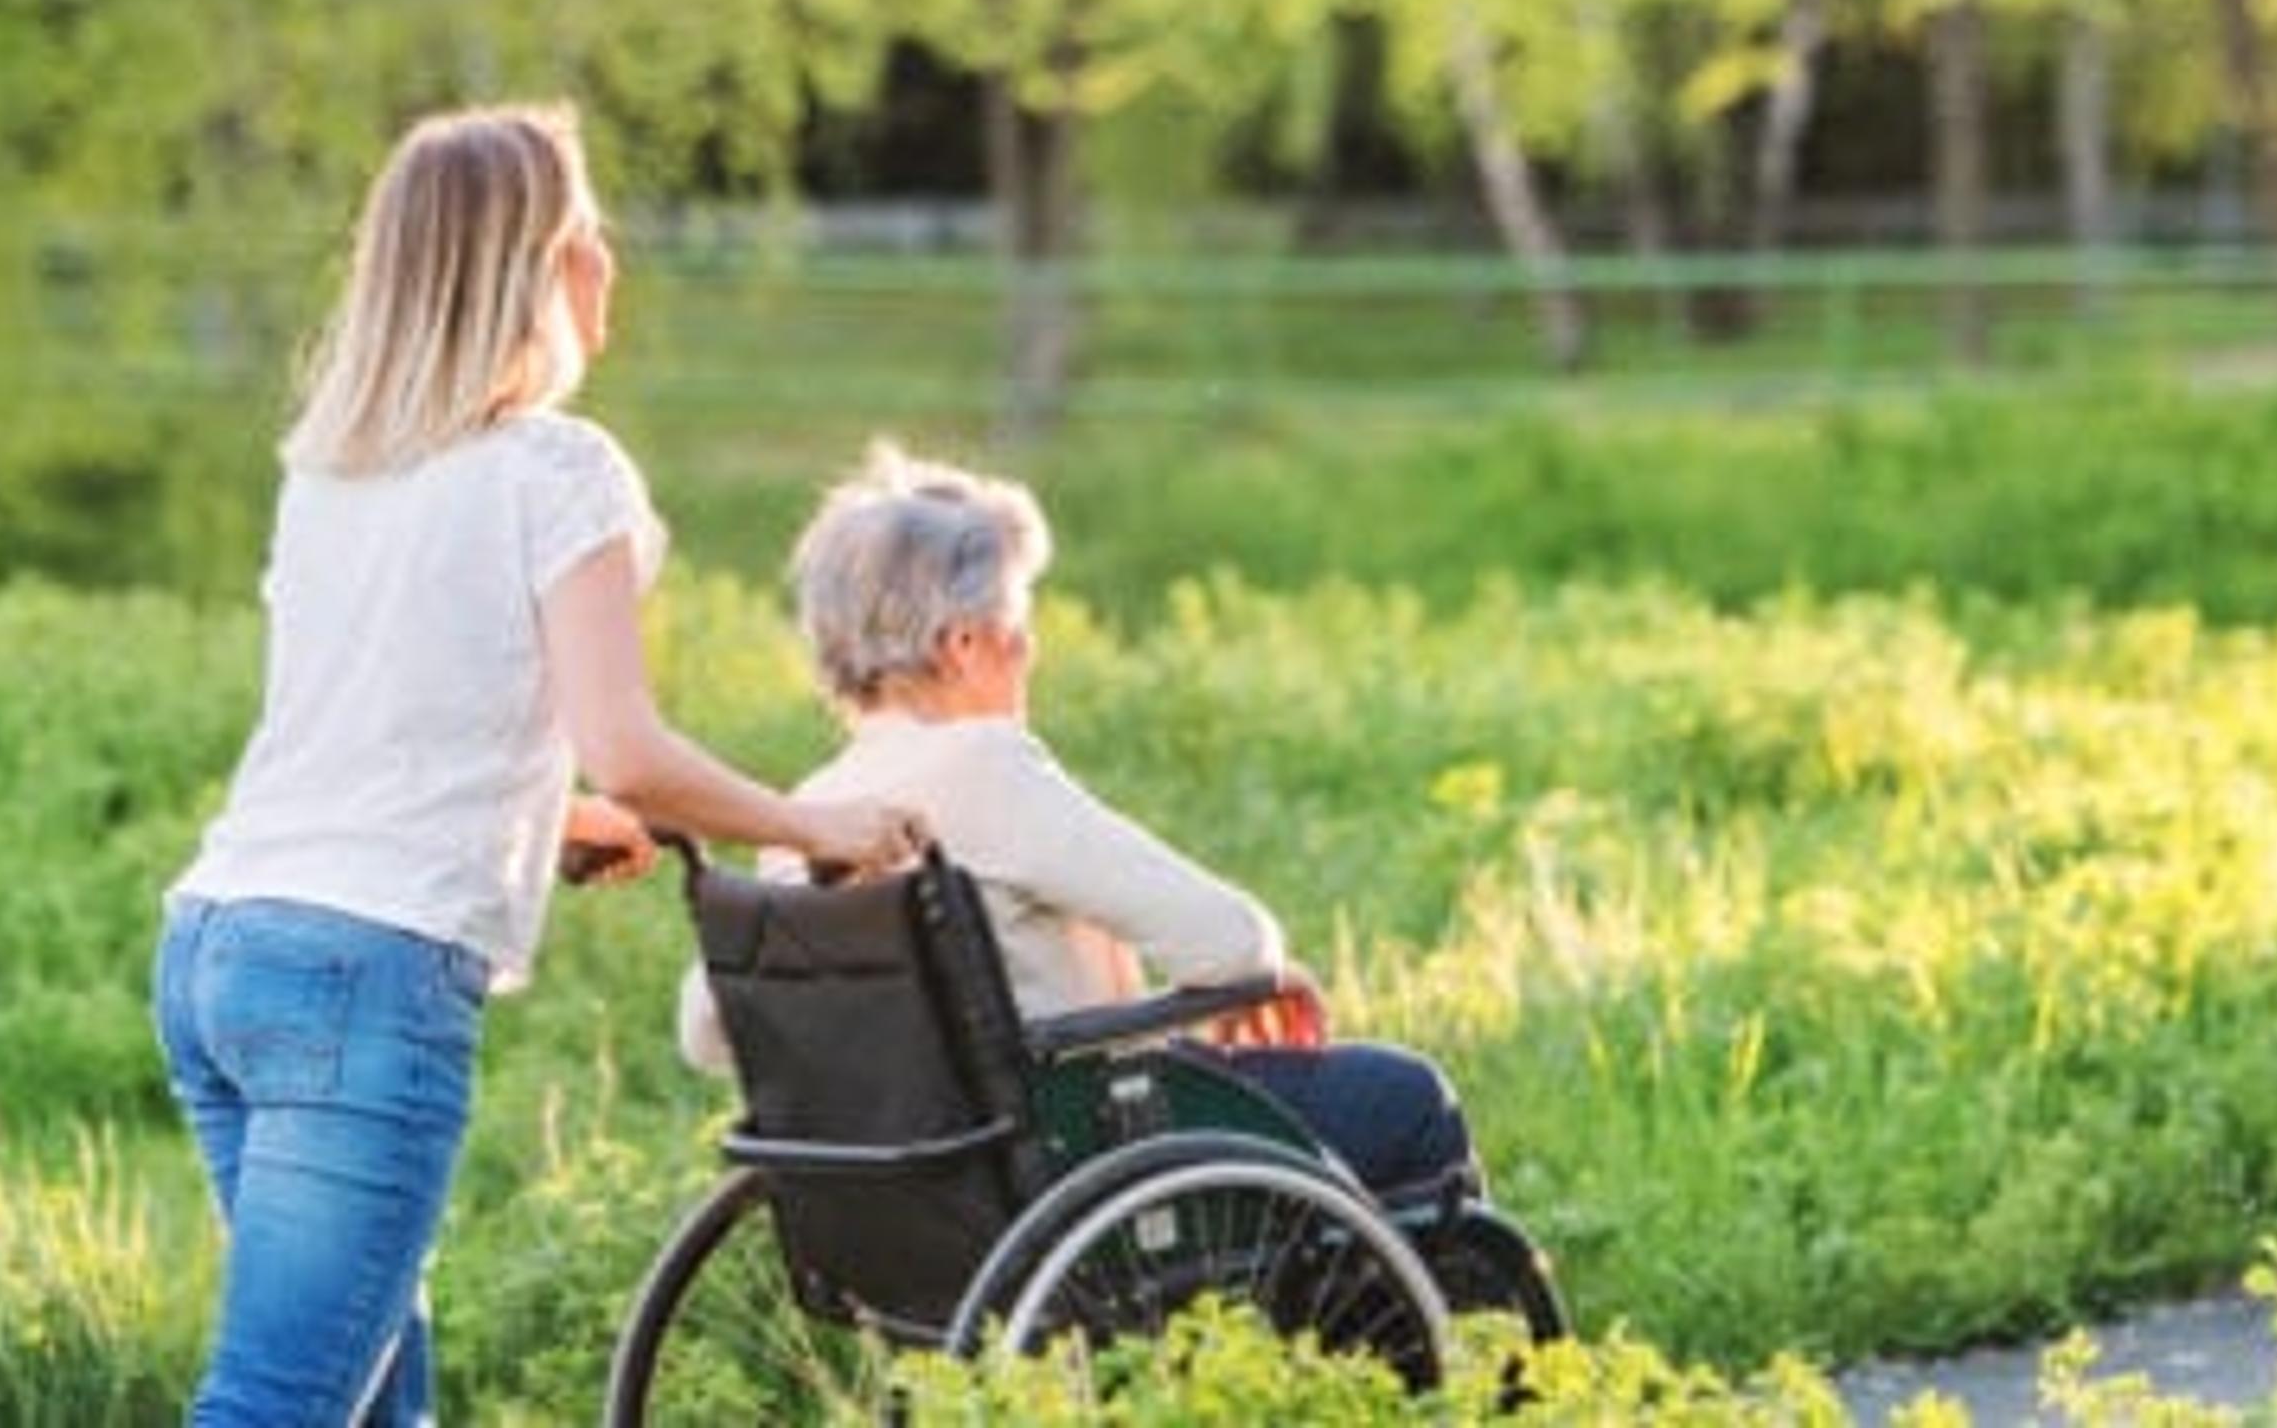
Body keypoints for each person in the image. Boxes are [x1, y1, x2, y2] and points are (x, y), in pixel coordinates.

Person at [154, 104, 925, 1428]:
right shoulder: (559, 469)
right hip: (364, 974)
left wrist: (548, 816)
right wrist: (819, 822)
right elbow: (630, 743)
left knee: (379, 1404)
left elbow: (371, 734)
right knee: (279, 1409)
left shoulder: (333, 469)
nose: (610, 264)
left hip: (221, 950)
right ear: (537, 267)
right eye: (589, 234)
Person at [677, 444, 1478, 1198]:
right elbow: (1230, 941)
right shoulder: (984, 765)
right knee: (1405, 1097)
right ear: (962, 645)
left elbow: (707, 1032)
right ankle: (1453, 1342)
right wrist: (1266, 974)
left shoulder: (812, 812)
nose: (1030, 652)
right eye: (1020, 628)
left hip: (920, 1188)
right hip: (1081, 1155)